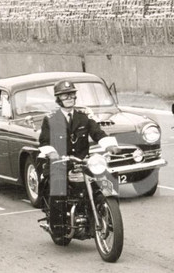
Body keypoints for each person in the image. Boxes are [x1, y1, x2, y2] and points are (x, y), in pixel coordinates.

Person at [37, 80, 118, 233]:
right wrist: (52, 153)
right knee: (58, 186)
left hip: (83, 162)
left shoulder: (83, 117)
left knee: (108, 179)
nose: (69, 98)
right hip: (60, 163)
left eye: (71, 94)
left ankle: (109, 217)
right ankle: (58, 227)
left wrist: (109, 145)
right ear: (58, 98)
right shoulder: (51, 119)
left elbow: (97, 133)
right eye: (64, 95)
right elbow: (44, 141)